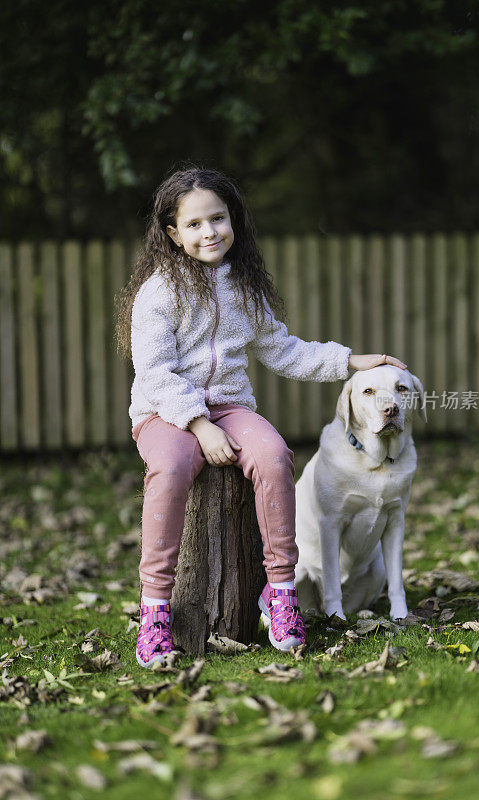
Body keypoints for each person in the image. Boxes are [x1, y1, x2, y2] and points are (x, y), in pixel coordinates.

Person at [115, 166, 407, 668]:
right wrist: (197, 424)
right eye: (194, 224)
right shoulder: (158, 293)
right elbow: (154, 373)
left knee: (273, 456)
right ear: (172, 234)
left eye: (219, 219)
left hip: (229, 406)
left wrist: (351, 361)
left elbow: (284, 350)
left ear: (234, 221)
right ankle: (156, 609)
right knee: (172, 467)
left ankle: (280, 591)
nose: (209, 232)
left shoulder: (242, 287)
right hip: (164, 412)